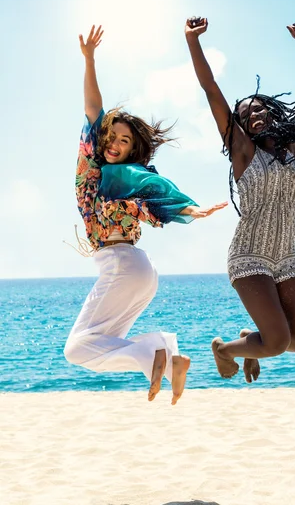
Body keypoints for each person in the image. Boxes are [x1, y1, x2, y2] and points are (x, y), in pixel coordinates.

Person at [64, 25, 227, 405]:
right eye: (113, 137)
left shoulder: (112, 175)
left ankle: (155, 349)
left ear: (132, 148)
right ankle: (170, 357)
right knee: (104, 342)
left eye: (126, 140)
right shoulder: (121, 179)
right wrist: (89, 60)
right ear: (102, 140)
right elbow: (95, 112)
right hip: (138, 270)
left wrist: (191, 209)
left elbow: (160, 195)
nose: (118, 144)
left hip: (122, 265)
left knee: (77, 349)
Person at [185, 17, 295, 382]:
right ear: (239, 125)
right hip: (248, 254)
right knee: (278, 341)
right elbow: (210, 89)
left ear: (270, 110)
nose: (252, 115)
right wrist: (192, 41)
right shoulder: (242, 152)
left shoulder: (290, 148)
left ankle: (251, 343)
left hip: (287, 255)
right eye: (244, 113)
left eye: (257, 108)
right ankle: (224, 350)